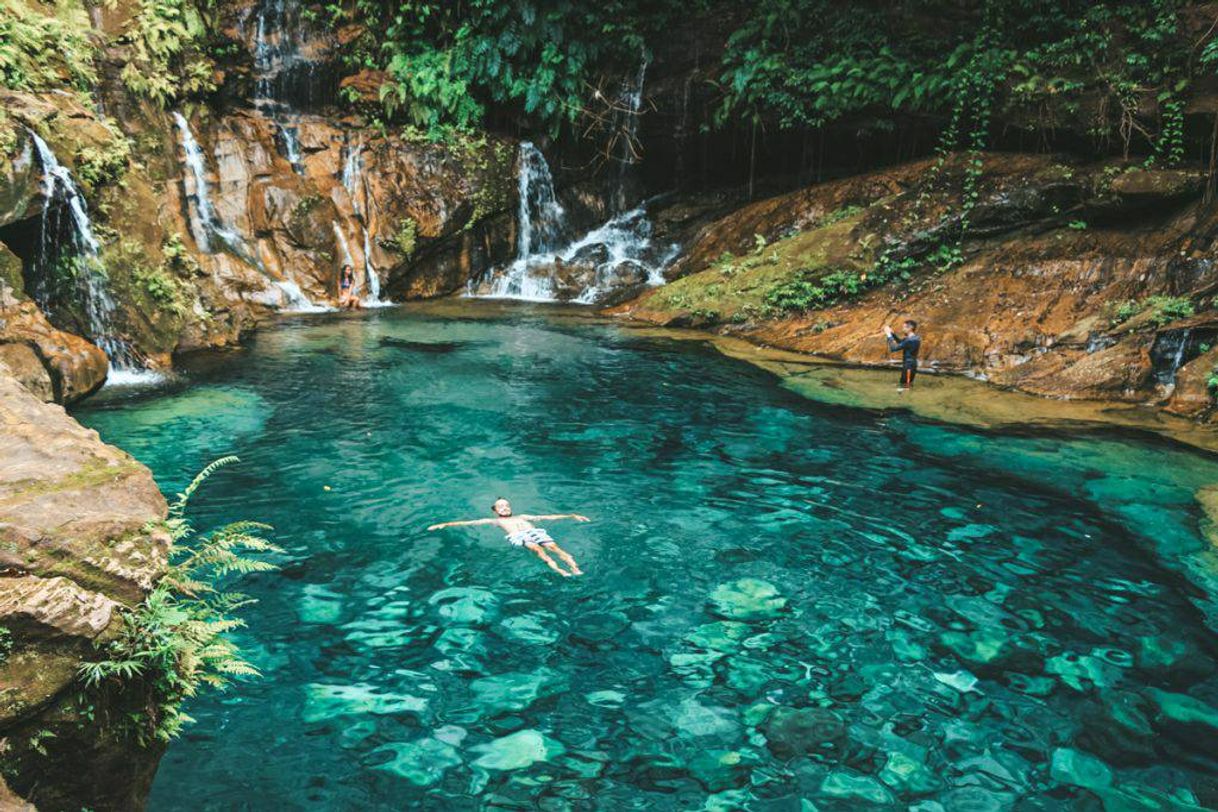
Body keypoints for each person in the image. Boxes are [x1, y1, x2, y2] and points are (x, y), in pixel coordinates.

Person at [427, 498, 588, 577]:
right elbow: (469, 522)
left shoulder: (523, 516)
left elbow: (547, 517)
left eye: (506, 505)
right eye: (500, 506)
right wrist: (445, 524)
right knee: (538, 550)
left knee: (554, 547)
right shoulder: (495, 520)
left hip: (536, 532)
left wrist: (571, 515)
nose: (504, 508)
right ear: (495, 510)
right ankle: (559, 570)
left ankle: (574, 568)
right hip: (519, 536)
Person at [883, 319, 921, 391]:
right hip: (909, 365)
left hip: (909, 366)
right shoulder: (913, 338)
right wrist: (893, 334)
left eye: (904, 327)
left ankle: (906, 399)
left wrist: (888, 335)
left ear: (910, 328)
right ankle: (902, 397)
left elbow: (893, 348)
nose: (902, 329)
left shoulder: (910, 340)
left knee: (906, 386)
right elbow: (901, 342)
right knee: (903, 383)